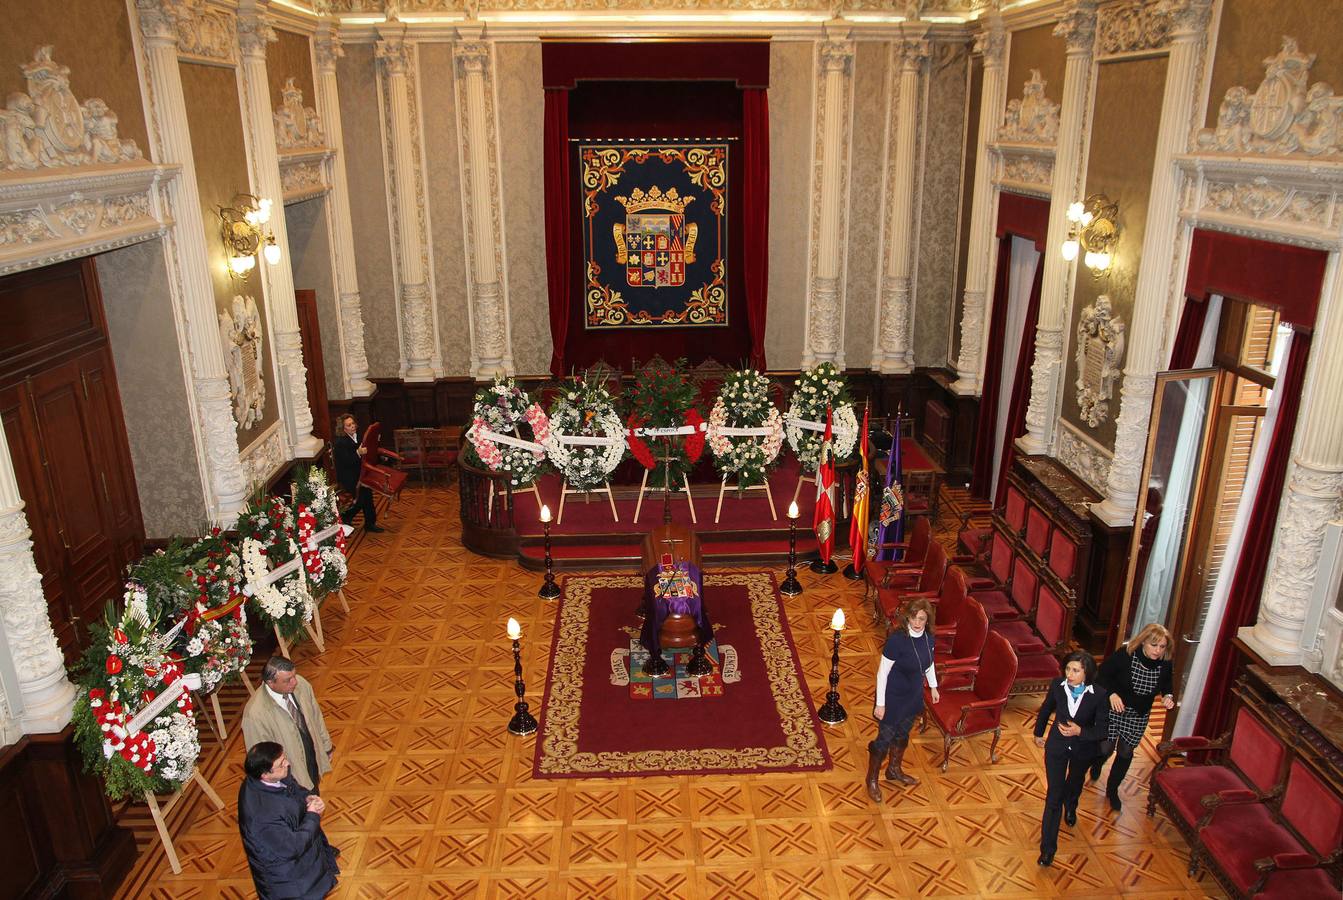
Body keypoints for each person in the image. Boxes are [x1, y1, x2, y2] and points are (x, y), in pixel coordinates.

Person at [1034, 651, 1109, 867]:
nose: (1070, 674)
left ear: (1087, 673)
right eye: (1068, 669)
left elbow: (1102, 730)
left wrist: (1080, 732)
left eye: (1075, 670)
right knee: (1053, 796)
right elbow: (1047, 708)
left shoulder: (1099, 695)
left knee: (1075, 782)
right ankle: (1047, 849)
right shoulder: (1058, 685)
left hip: (1082, 749)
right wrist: (1038, 733)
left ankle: (1072, 804)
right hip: (1056, 747)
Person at [238, 741, 340, 899]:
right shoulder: (262, 816)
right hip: (290, 882)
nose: (287, 763)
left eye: (284, 758)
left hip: (303, 867)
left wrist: (307, 797)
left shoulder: (272, 776)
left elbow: (292, 788)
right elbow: (293, 846)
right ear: (265, 774)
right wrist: (313, 815)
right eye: (281, 763)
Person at [1090, 622, 1175, 811]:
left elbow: (1167, 684)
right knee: (1105, 748)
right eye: (1154, 645)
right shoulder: (1125, 655)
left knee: (1125, 752)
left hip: (1138, 715)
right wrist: (1111, 694)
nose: (1158, 650)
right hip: (1113, 709)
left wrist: (1168, 696)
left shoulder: (1165, 663)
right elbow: (1101, 675)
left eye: (1162, 646)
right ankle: (1096, 764)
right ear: (1144, 641)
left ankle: (1112, 790)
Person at [866, 596, 939, 803]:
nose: (917, 623)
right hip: (893, 697)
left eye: (922, 619)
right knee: (884, 739)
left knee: (902, 734)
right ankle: (871, 779)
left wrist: (933, 686)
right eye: (914, 617)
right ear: (908, 617)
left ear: (927, 620)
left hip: (913, 695)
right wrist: (880, 703)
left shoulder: (929, 638)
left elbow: (930, 663)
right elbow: (882, 673)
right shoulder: (897, 640)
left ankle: (894, 769)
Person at [242, 656, 334, 793]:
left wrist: (327, 747)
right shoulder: (255, 715)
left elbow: (316, 717)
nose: (295, 682)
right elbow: (261, 760)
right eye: (287, 680)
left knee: (314, 793)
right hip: (290, 779)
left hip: (311, 758)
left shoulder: (301, 685)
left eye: (294, 676)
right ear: (270, 682)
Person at [333, 414, 382, 532]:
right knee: (361, 500)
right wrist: (358, 453)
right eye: (349, 425)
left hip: (360, 472)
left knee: (367, 498)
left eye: (353, 423)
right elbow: (346, 461)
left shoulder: (358, 436)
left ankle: (370, 523)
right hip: (348, 475)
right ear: (343, 429)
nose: (352, 426)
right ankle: (346, 517)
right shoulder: (340, 443)